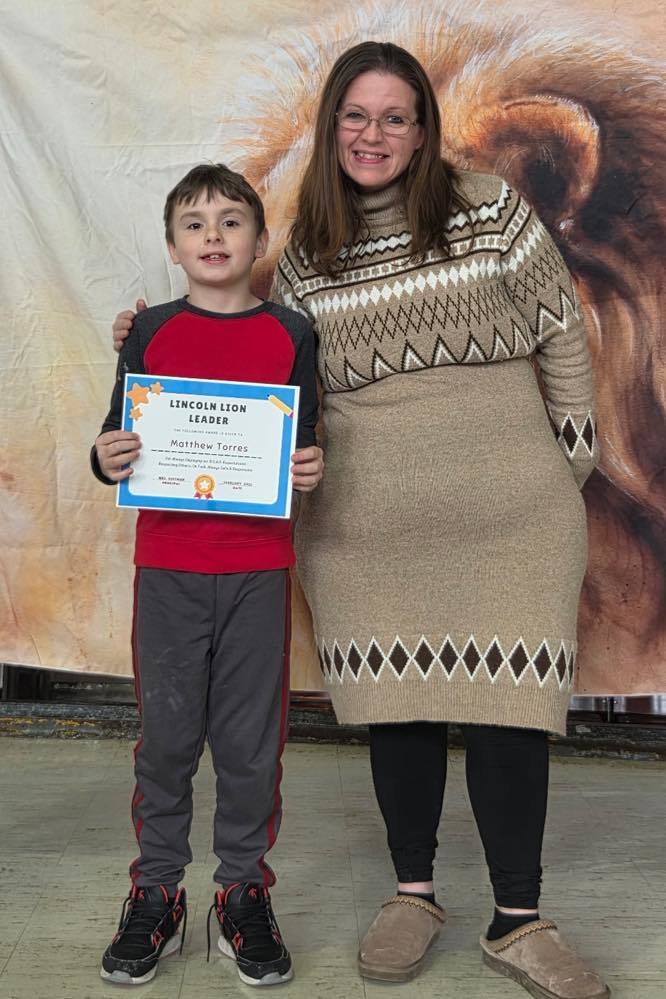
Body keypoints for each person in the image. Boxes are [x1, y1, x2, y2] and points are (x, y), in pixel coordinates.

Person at [111, 43, 609, 999]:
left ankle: (519, 917)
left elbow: (560, 331)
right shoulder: (306, 251)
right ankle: (413, 894)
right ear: (332, 124)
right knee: (397, 705)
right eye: (355, 115)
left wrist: (567, 466)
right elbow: (260, 371)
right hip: (366, 526)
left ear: (421, 130)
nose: (372, 134)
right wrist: (148, 340)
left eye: (393, 117)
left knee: (514, 712)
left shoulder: (492, 209)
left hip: (514, 513)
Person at [93, 162, 323, 987]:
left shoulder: (293, 332)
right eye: (195, 223)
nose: (214, 235)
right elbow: (115, 437)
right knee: (167, 739)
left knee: (251, 744)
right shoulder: (149, 331)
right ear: (173, 246)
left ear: (259, 242)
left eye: (231, 221)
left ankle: (241, 893)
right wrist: (103, 455)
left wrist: (308, 466)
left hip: (258, 569)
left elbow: (307, 439)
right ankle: (157, 891)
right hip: (168, 569)